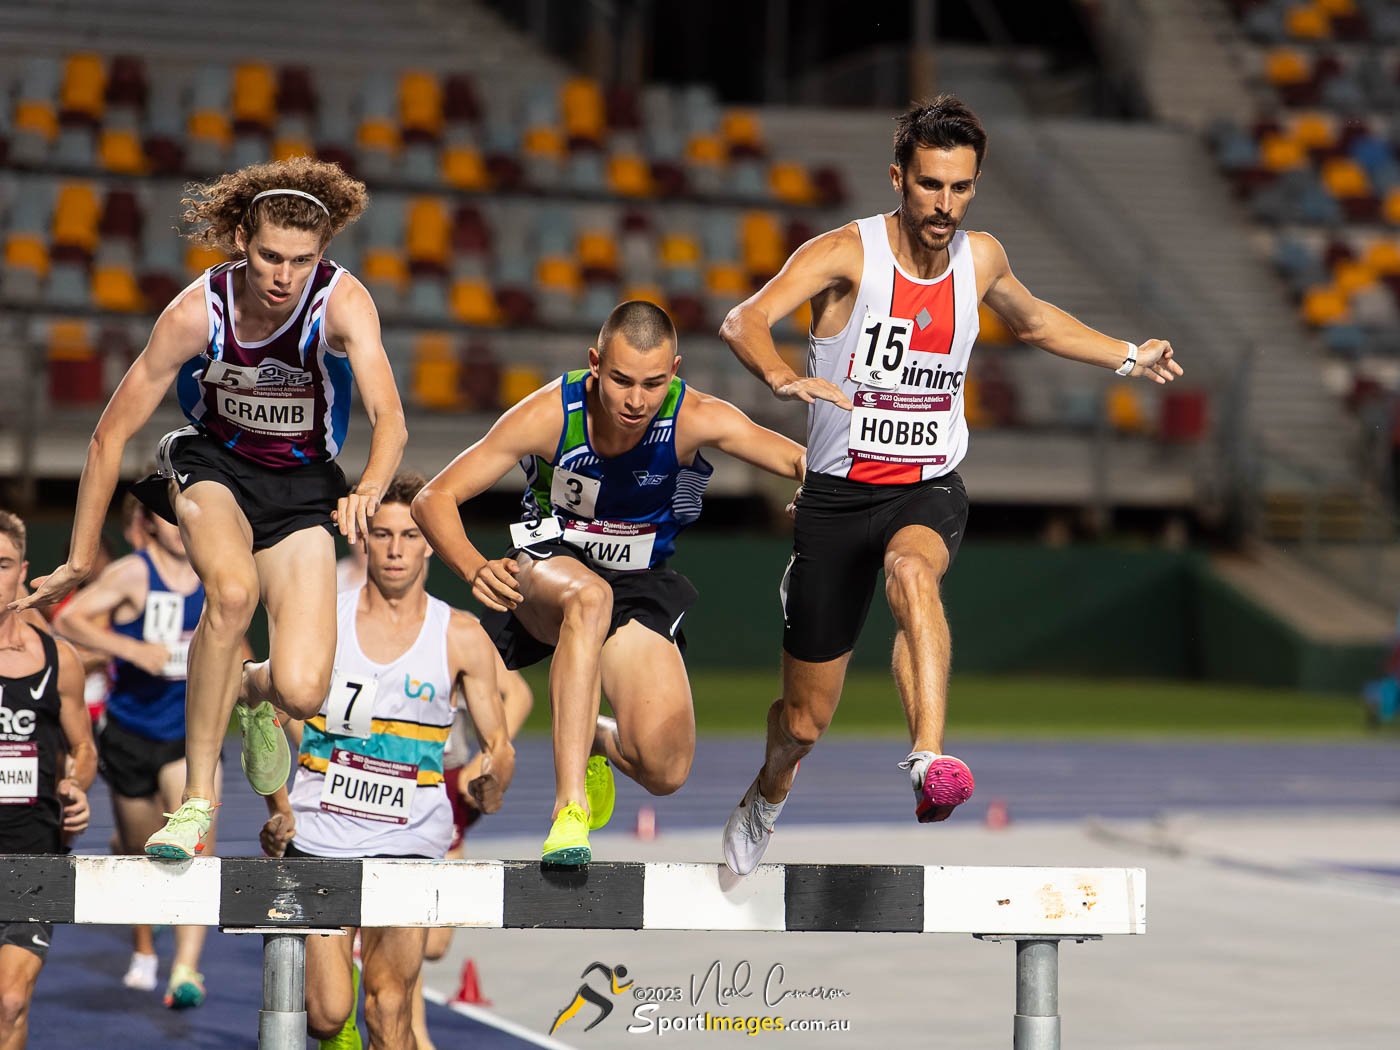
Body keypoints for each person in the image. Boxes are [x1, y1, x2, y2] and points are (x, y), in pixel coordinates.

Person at [716, 94, 1183, 875]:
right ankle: (769, 789)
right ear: (899, 177)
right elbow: (743, 320)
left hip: (926, 485)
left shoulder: (983, 258)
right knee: (803, 722)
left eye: (961, 188)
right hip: (835, 496)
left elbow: (1035, 323)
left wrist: (1129, 355)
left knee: (912, 574)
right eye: (931, 185)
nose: (945, 205)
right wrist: (782, 376)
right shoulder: (846, 254)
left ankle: (927, 757)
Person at [10, 157, 408, 861]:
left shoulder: (343, 303)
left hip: (303, 484)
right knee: (229, 593)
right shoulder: (197, 312)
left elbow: (391, 420)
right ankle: (196, 801)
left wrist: (371, 485)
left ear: (322, 257)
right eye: (270, 257)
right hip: (213, 466)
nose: (285, 277)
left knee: (304, 689)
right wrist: (78, 556)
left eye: (302, 261)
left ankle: (253, 691)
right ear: (240, 243)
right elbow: (109, 435)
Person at [413, 300, 807, 866]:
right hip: (547, 564)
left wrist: (815, 488)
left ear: (674, 371)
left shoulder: (694, 415)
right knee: (588, 597)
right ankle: (569, 811)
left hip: (639, 584)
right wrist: (474, 566)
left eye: (651, 384)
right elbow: (435, 498)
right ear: (595, 363)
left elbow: (798, 461)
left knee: (666, 768)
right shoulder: (551, 413)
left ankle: (594, 735)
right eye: (620, 379)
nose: (635, 400)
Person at [258, 472, 516, 1050]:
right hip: (320, 837)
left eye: (409, 534)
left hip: (412, 842)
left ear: (429, 542)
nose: (396, 549)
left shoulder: (463, 635)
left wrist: (493, 779)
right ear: (363, 539)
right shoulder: (322, 619)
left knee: (389, 1005)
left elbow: (500, 743)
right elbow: (268, 716)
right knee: (326, 1014)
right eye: (382, 534)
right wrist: (279, 806)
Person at [53, 502, 224, 1009]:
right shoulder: (133, 574)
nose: (179, 529)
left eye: (185, 518)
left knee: (198, 847)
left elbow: (231, 640)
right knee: (142, 851)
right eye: (169, 518)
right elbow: (72, 620)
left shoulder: (215, 571)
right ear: (150, 524)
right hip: (128, 735)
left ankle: (186, 968)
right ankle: (145, 945)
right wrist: (128, 650)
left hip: (187, 738)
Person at [0, 510, 96, 1050]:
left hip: (34, 853)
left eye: (3, 564)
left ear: (24, 573)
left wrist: (76, 785)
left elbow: (83, 748)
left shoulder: (59, 659)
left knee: (10, 1001)